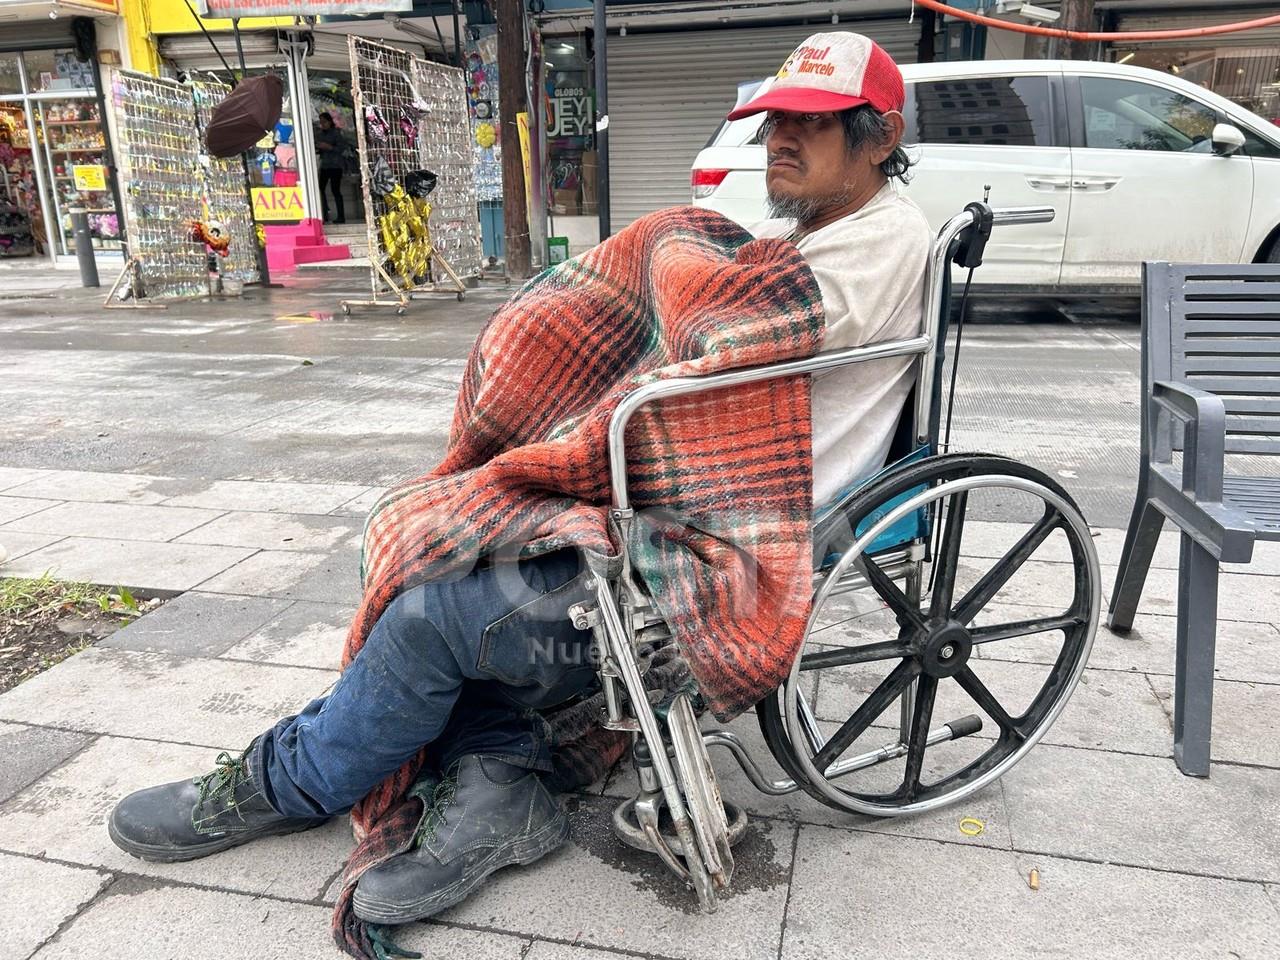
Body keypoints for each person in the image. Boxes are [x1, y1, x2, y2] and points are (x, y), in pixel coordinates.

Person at [107, 29, 928, 934]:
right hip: (670, 490)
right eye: (775, 120)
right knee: (434, 534)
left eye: (810, 124)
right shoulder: (809, 228)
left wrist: (661, 257)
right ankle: (500, 786)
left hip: (728, 537)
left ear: (879, 137)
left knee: (430, 620)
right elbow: (703, 313)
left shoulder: (881, 241)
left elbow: (718, 331)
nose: (781, 139)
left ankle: (285, 784)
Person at [315, 111, 346, 224]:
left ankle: (341, 216)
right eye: (321, 122)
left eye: (324, 122)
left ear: (329, 122)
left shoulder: (336, 133)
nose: (322, 124)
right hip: (325, 165)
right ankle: (324, 213)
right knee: (320, 189)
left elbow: (342, 148)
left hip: (335, 166)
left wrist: (329, 147)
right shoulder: (320, 134)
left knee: (335, 190)